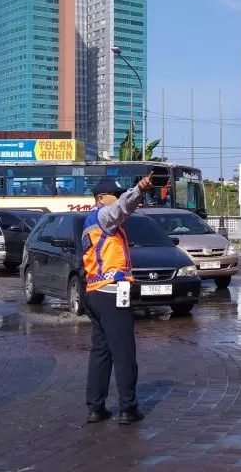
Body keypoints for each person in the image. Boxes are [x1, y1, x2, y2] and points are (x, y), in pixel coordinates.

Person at [83, 173, 154, 425]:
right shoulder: (104, 217)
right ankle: (128, 408)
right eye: (115, 195)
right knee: (123, 353)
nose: (118, 199)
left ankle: (96, 408)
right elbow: (123, 207)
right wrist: (138, 190)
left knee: (100, 353)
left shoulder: (91, 222)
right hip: (113, 293)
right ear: (101, 198)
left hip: (95, 292)